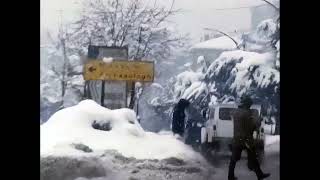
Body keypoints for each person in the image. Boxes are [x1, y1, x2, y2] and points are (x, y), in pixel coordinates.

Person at [228, 95, 270, 180]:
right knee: (253, 157)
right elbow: (251, 127)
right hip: (246, 140)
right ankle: (259, 174)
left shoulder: (236, 112)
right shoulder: (247, 113)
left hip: (237, 139)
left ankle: (230, 176)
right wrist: (257, 123)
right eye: (250, 104)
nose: (250, 106)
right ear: (247, 104)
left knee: (233, 160)